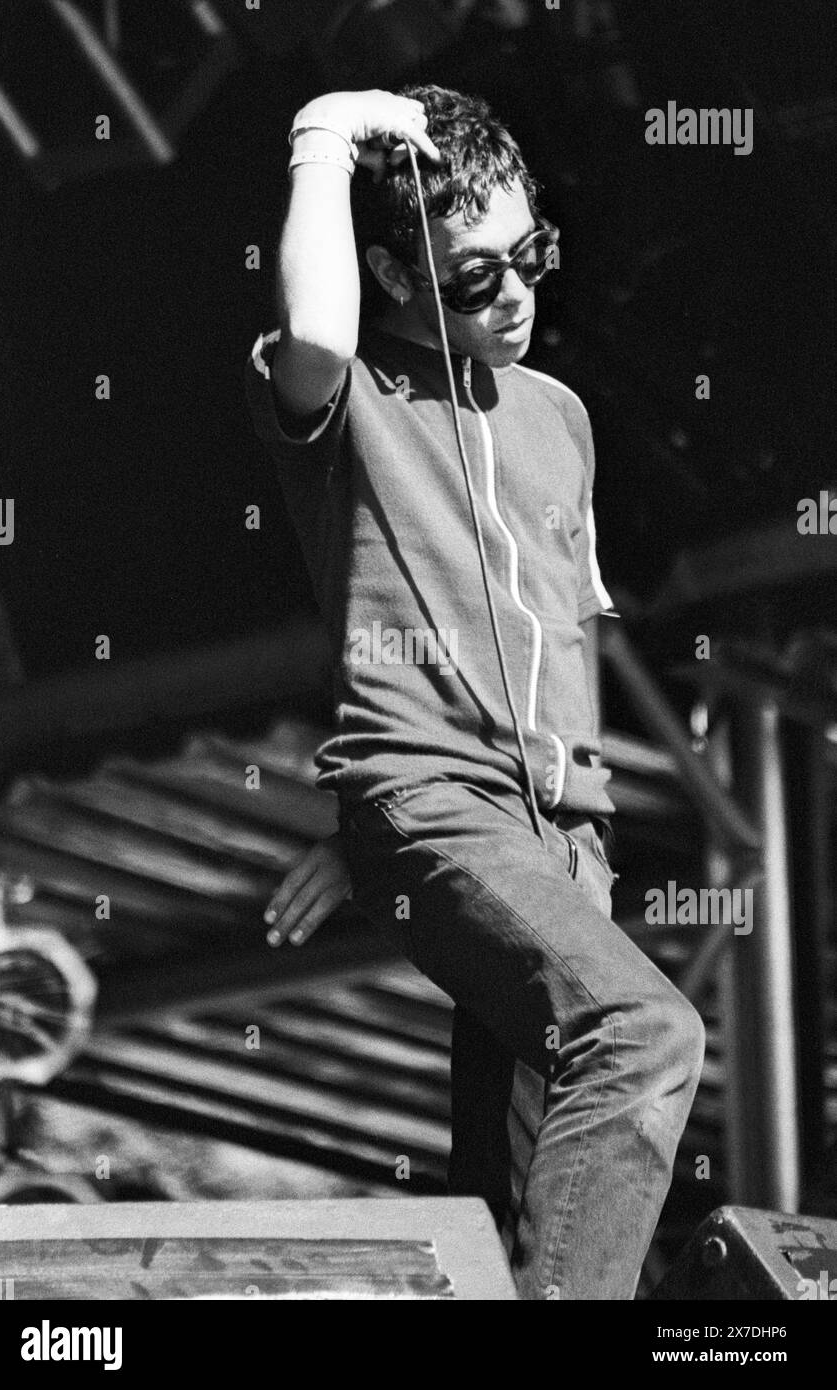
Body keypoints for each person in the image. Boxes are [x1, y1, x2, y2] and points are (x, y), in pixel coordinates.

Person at [245, 84, 705, 1300]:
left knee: (508, 1185)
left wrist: (412, 854)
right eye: (473, 276)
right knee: (643, 1032)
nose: (516, 297)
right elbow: (315, 337)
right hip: (434, 800)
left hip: (557, 835)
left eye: (531, 255)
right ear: (393, 277)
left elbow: (552, 645)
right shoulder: (349, 394)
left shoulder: (562, 417)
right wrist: (324, 140)